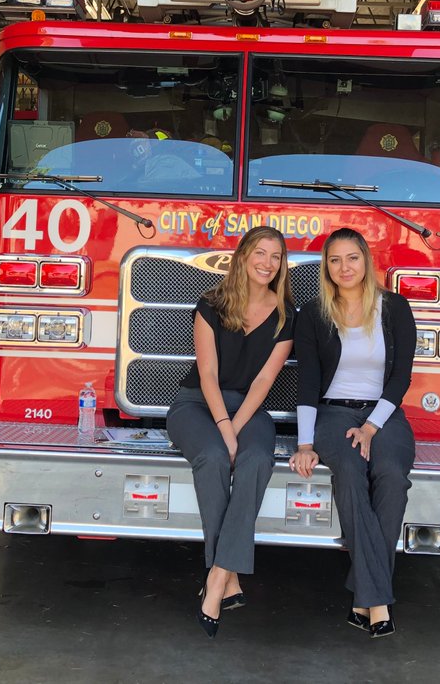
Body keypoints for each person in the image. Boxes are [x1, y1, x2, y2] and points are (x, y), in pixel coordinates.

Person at [166, 226, 295, 638]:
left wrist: (236, 428)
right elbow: (207, 374)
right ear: (243, 256)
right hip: (196, 405)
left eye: (276, 256)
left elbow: (263, 382)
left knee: (256, 458)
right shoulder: (211, 304)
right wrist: (224, 429)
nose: (267, 263)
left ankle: (218, 576)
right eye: (260, 253)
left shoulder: (286, 314)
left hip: (249, 408)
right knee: (214, 457)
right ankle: (230, 577)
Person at [290, 227, 416, 639]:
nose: (344, 267)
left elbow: (400, 377)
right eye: (335, 260)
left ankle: (365, 593)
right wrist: (305, 444)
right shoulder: (313, 313)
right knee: (348, 471)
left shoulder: (395, 308)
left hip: (383, 414)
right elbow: (308, 382)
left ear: (366, 261)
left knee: (392, 476)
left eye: (352, 258)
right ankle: (377, 600)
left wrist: (371, 426)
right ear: (326, 267)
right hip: (332, 414)